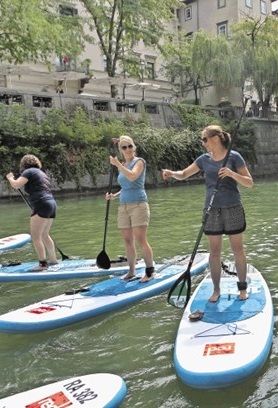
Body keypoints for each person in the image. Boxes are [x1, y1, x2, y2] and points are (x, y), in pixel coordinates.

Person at [161, 125, 253, 302]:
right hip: (211, 210)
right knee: (214, 251)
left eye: (205, 139)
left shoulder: (234, 157)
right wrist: (172, 173)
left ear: (216, 138)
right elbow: (184, 174)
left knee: (238, 249)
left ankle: (242, 288)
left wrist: (232, 174)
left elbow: (249, 183)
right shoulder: (204, 159)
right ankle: (216, 290)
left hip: (233, 207)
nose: (203, 143)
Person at [106, 135, 154, 282]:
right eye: (124, 147)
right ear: (120, 150)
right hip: (123, 206)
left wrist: (117, 165)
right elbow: (126, 186)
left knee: (141, 239)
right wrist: (114, 196)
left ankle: (150, 272)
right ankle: (131, 271)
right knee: (127, 240)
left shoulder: (139, 162)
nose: (127, 149)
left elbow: (133, 177)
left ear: (134, 147)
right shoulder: (122, 164)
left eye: (130, 146)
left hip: (139, 204)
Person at [6, 154, 58, 271]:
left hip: (41, 203)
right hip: (51, 203)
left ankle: (43, 264)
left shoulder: (28, 172)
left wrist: (10, 178)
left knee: (36, 237)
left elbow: (16, 185)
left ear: (24, 164)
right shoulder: (41, 173)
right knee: (45, 234)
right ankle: (53, 260)